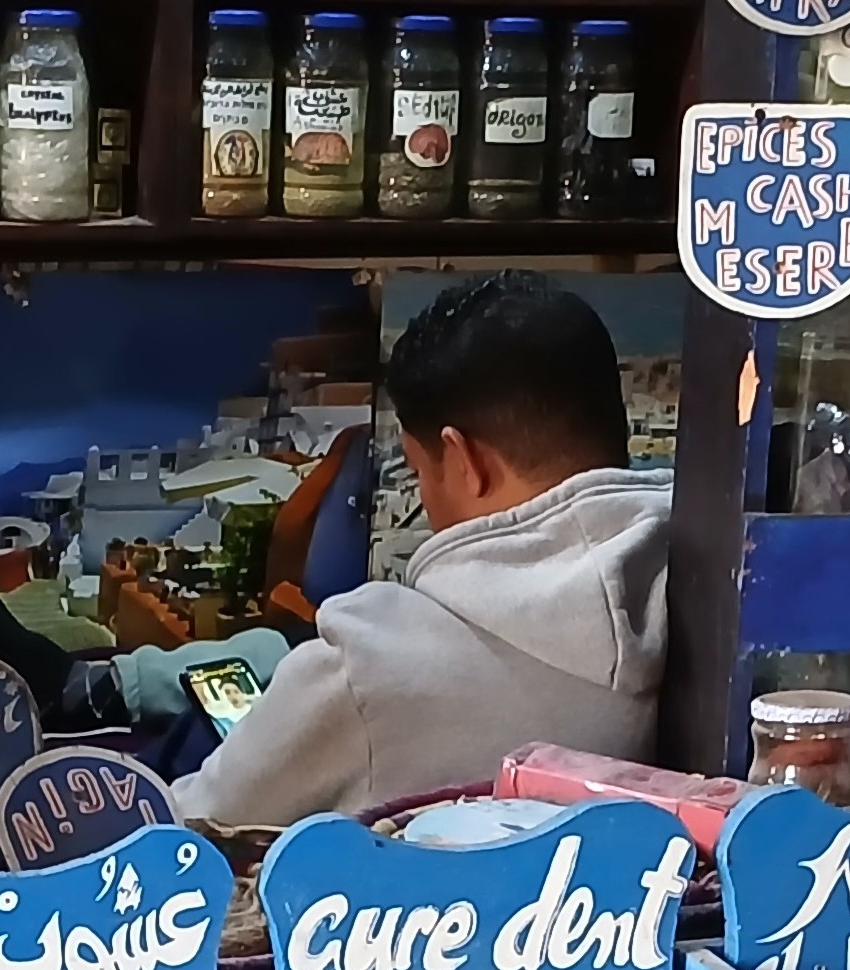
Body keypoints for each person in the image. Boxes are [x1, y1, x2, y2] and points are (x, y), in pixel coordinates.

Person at [169, 272, 668, 827]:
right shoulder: (713, 601)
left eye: (417, 469)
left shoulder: (365, 667)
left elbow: (190, 831)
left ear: (463, 460)